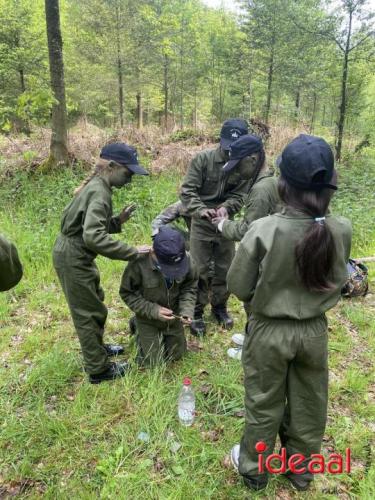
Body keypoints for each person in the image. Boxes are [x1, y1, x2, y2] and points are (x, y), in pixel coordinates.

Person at [227, 135, 352, 492]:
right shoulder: (340, 229)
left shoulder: (265, 228)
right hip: (314, 332)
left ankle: (254, 468)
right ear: (329, 187)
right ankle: (300, 470)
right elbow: (338, 279)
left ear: (282, 184)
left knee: (264, 400)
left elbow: (238, 285)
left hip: (268, 331)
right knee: (310, 401)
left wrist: (263, 296)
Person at [52, 143, 150, 384]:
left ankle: (98, 349)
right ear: (112, 166)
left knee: (94, 300)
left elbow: (86, 225)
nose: (130, 180)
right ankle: (99, 370)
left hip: (76, 253)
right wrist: (132, 251)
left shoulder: (98, 186)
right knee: (88, 313)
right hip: (73, 256)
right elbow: (93, 236)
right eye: (128, 173)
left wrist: (117, 222)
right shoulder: (100, 192)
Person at [211, 134, 281, 357]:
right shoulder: (268, 182)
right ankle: (252, 336)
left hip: (267, 255)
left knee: (256, 302)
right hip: (272, 251)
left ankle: (254, 349)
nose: (236, 171)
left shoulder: (262, 190)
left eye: (238, 165)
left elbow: (250, 231)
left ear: (252, 159)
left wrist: (223, 225)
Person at [180, 118, 249, 335]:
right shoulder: (203, 159)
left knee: (225, 268)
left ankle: (219, 307)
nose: (230, 152)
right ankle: (197, 311)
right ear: (220, 139)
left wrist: (227, 208)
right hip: (200, 222)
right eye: (228, 146)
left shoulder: (244, 165)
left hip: (225, 223)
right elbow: (187, 190)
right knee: (198, 268)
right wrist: (201, 210)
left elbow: (241, 195)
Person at [119, 227, 198, 367]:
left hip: (173, 318)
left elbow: (189, 287)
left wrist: (186, 310)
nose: (173, 270)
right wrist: (153, 310)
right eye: (168, 266)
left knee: (177, 356)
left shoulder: (186, 258)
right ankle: (137, 325)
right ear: (153, 252)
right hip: (147, 318)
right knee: (153, 363)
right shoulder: (138, 262)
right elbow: (127, 293)